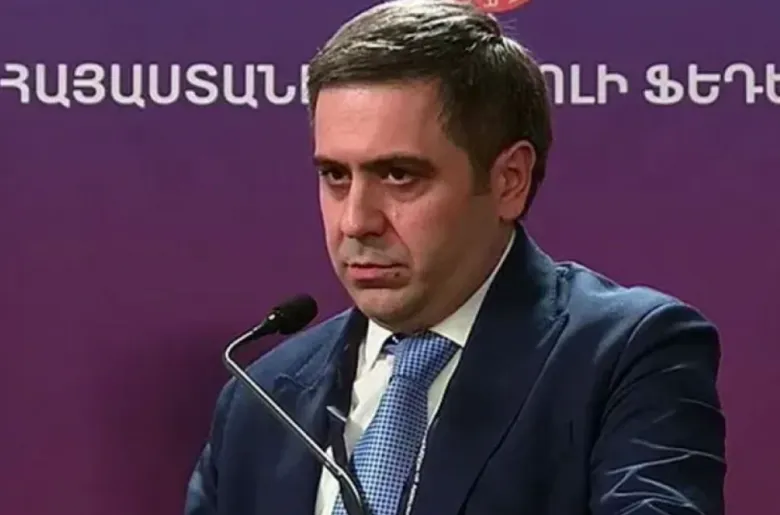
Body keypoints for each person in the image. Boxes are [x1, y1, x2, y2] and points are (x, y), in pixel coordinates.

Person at [184, 1, 726, 514]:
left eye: (399, 175)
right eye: (335, 175)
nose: (355, 221)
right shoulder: (260, 398)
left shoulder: (626, 355)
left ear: (508, 180)